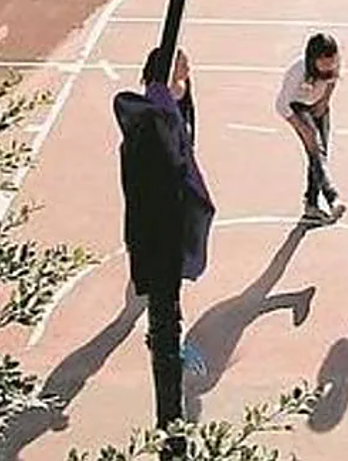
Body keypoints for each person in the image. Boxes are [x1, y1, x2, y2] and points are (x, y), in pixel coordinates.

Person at [113, 46, 216, 454]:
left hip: (167, 227)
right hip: (161, 229)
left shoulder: (172, 108)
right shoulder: (154, 118)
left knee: (167, 292)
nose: (187, 74)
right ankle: (162, 341)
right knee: (163, 295)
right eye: (180, 69)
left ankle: (164, 335)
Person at [276, 33, 346, 225]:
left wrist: (324, 101)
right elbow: (281, 105)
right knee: (315, 149)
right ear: (313, 59)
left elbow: (333, 80)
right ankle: (332, 198)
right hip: (296, 107)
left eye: (333, 61)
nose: (330, 66)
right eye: (325, 63)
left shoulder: (334, 62)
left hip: (318, 105)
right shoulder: (297, 72)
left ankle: (312, 204)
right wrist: (302, 127)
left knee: (320, 153)